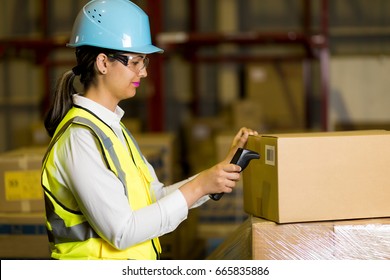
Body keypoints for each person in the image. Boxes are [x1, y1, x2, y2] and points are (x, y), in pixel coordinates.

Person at [41, 0, 258, 260]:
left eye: (144, 62)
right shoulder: (80, 139)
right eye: (135, 61)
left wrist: (213, 177)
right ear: (103, 63)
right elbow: (121, 231)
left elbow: (153, 198)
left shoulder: (112, 129)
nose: (143, 72)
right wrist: (199, 187)